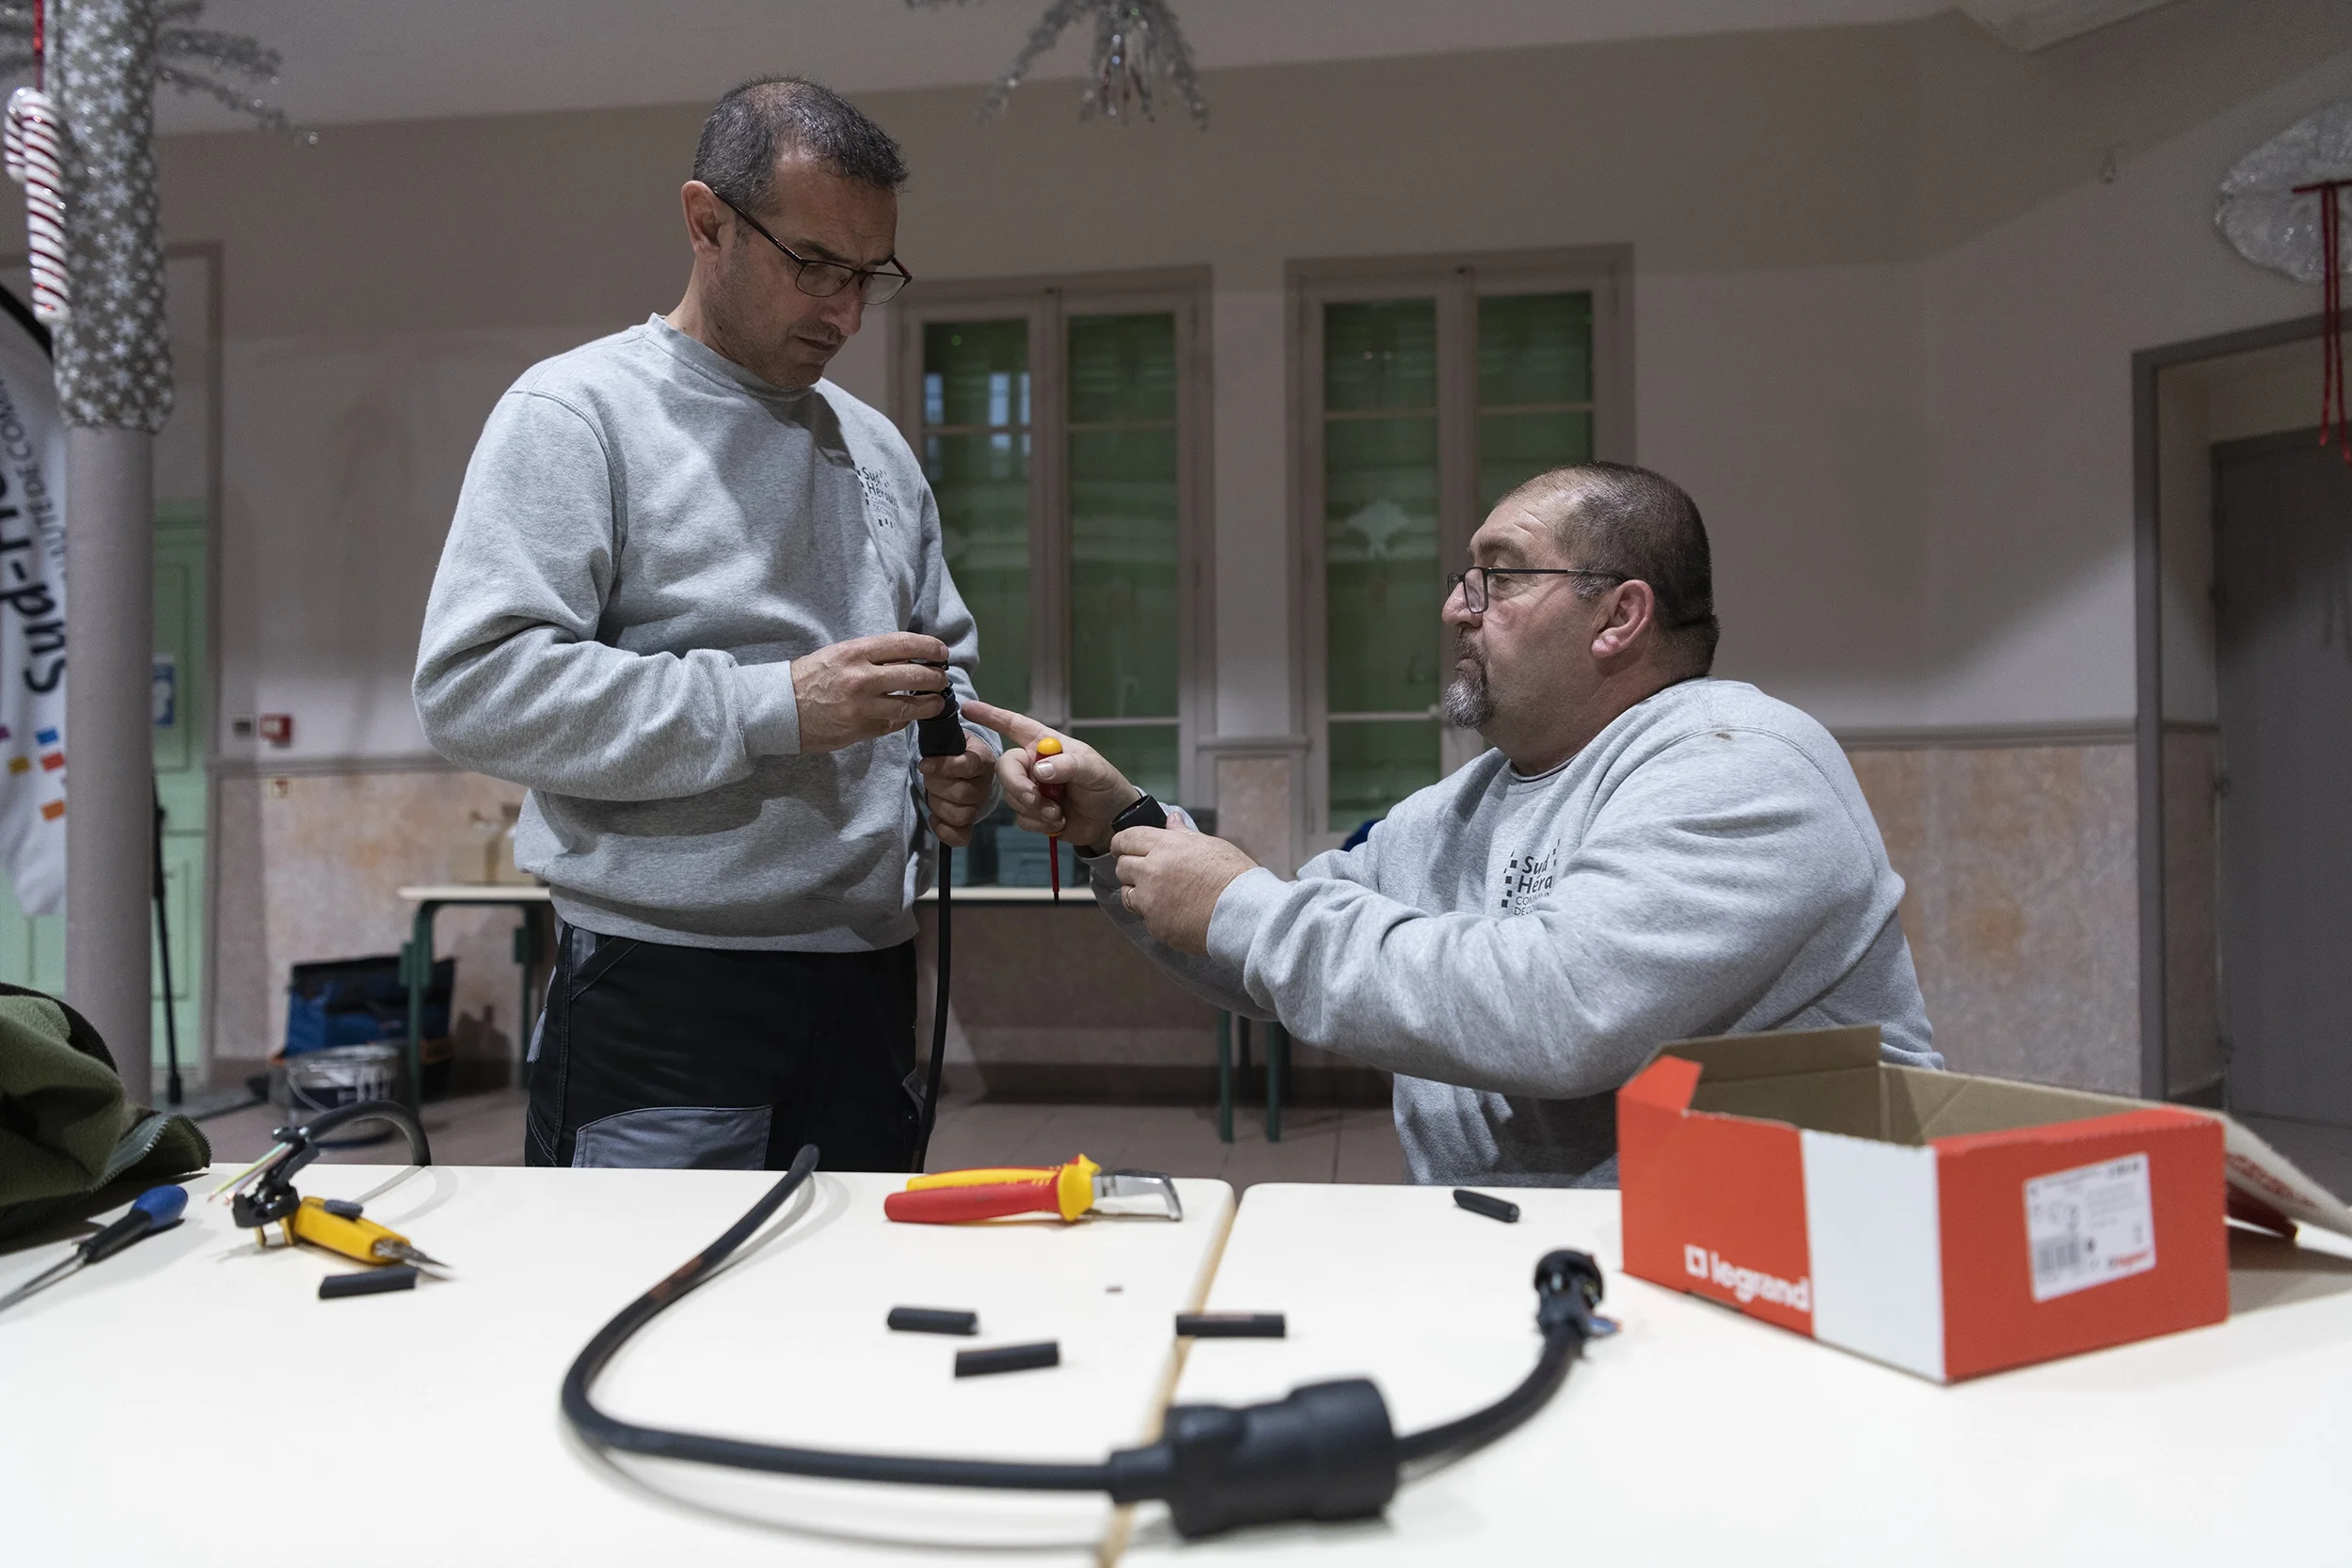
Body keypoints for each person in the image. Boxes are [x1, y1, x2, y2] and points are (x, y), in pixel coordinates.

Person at [966, 462, 1939, 1187]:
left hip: (1766, 1274)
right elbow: (1265, 954)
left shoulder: (1738, 762)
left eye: (1497, 577)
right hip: (1532, 1265)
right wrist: (1121, 828)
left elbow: (1561, 1012)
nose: (1454, 608)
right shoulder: (1459, 807)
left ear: (1619, 615)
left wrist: (1245, 908)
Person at [414, 77, 997, 1172]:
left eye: (867, 274)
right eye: (813, 264)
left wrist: (961, 756)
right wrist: (774, 706)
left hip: (872, 977)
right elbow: (474, 688)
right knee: (655, 1322)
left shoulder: (875, 448)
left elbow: (941, 666)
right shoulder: (577, 414)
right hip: (664, 987)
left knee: (850, 1324)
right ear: (706, 222)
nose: (845, 311)